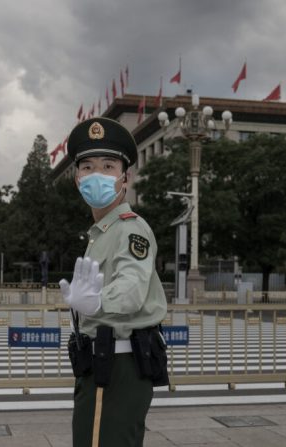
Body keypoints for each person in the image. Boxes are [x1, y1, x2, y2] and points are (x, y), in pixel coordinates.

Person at [60, 117, 168, 447]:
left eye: (108, 166)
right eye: (88, 167)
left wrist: (97, 302)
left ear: (126, 177)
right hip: (102, 362)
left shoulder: (129, 228)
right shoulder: (104, 231)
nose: (97, 175)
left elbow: (133, 287)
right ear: (77, 179)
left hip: (117, 365)